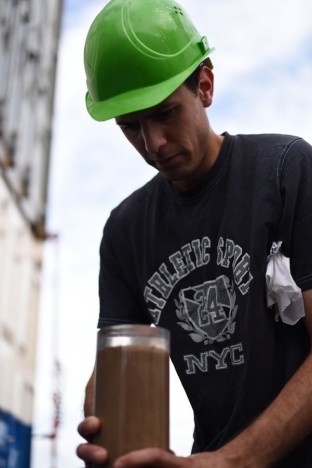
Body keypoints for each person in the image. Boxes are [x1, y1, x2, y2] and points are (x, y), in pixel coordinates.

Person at [77, 0, 312, 466]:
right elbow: (116, 368)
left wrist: (232, 461)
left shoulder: (285, 172)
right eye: (131, 127)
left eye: (165, 114)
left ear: (204, 85)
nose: (153, 143)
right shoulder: (126, 232)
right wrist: (106, 423)